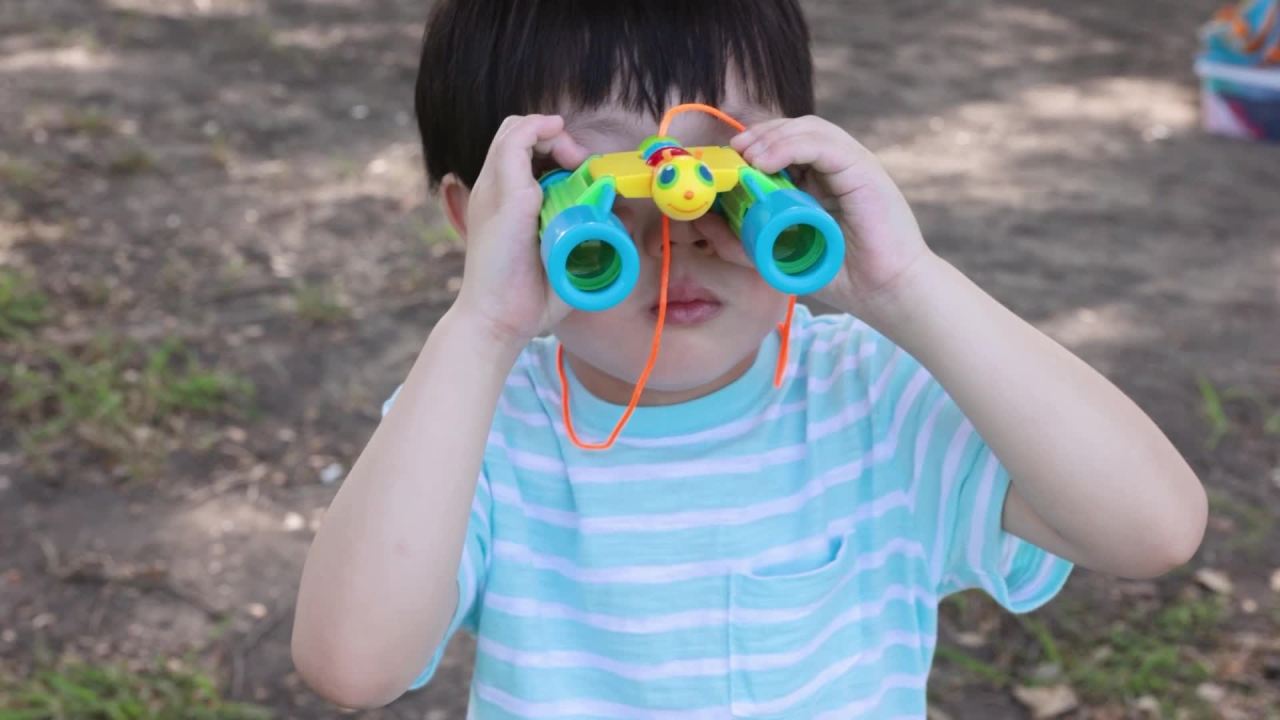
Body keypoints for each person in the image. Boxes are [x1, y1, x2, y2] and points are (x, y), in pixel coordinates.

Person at [291, 1, 1208, 716]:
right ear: (482, 219)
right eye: (608, 205)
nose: (678, 234)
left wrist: (907, 286)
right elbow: (352, 665)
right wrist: (482, 325)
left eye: (732, 185)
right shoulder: (475, 429)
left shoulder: (869, 400)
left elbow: (1152, 530)